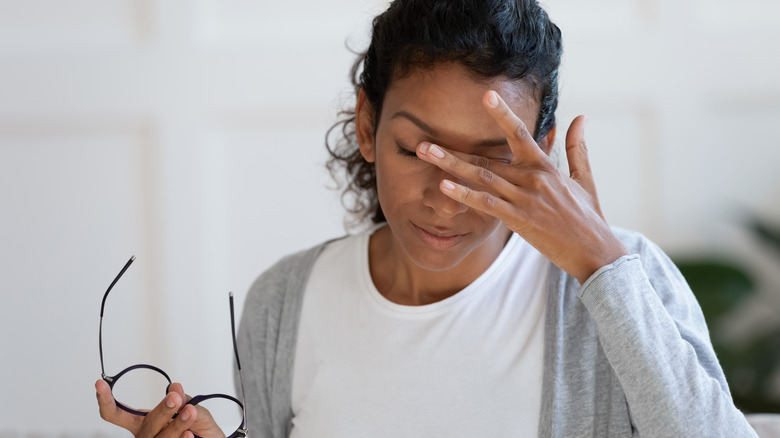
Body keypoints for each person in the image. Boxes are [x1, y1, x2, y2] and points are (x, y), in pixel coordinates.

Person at [96, 0, 760, 436]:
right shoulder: (285, 301)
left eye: (490, 161)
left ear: (542, 151)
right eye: (417, 150)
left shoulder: (617, 284)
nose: (446, 199)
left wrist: (602, 267)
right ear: (366, 124)